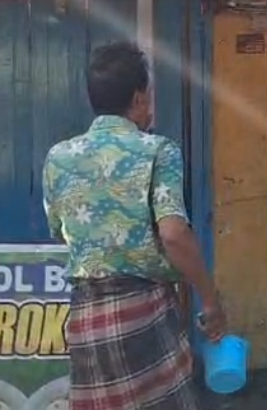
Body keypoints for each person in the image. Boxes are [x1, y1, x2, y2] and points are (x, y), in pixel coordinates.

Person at [42, 42, 224, 410]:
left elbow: (61, 230)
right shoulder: (158, 151)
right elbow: (173, 234)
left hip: (87, 317)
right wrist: (210, 299)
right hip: (144, 311)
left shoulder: (57, 157)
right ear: (139, 98)